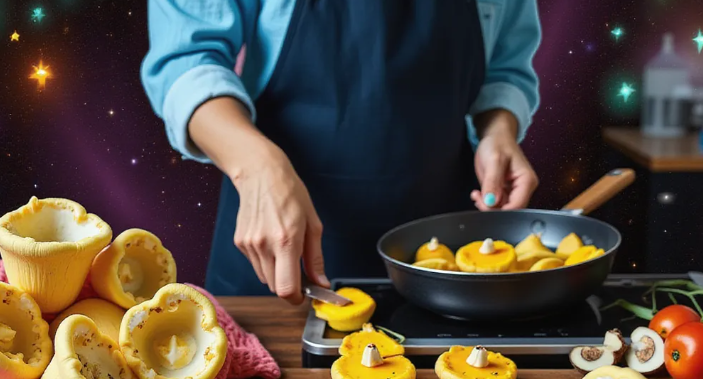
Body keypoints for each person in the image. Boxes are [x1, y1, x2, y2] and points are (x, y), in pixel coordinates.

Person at [142, 0, 541, 304]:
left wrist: (498, 132)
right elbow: (185, 62)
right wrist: (257, 166)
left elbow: (504, 67)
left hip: (449, 257)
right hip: (277, 245)